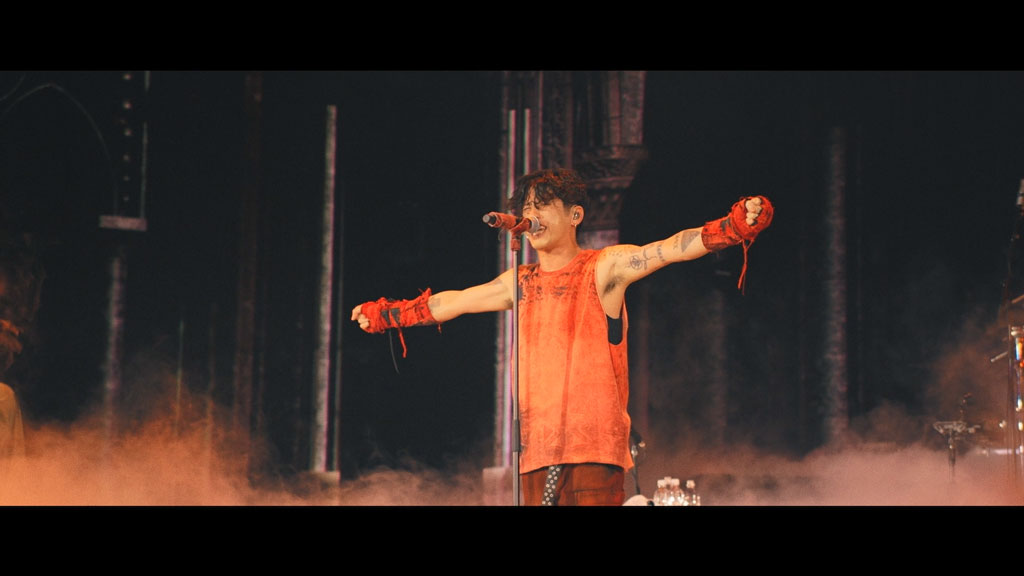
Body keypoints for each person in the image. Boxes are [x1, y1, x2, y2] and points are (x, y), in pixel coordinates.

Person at [351, 168, 773, 505]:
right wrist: (390, 315)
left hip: (593, 452)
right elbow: (453, 302)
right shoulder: (519, 281)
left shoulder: (603, 267)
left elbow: (668, 248)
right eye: (526, 207)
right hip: (536, 453)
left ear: (575, 215)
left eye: (542, 205)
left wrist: (731, 227)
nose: (531, 215)